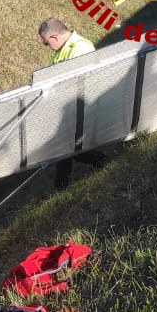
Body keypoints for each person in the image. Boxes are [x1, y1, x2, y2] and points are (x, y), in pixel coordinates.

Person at [38, 17, 108, 189]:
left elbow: (81, 82)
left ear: (54, 38)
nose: (48, 47)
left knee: (68, 149)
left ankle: (62, 186)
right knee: (69, 149)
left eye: (46, 43)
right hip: (69, 108)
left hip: (83, 107)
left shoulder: (80, 48)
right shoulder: (61, 52)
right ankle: (100, 164)